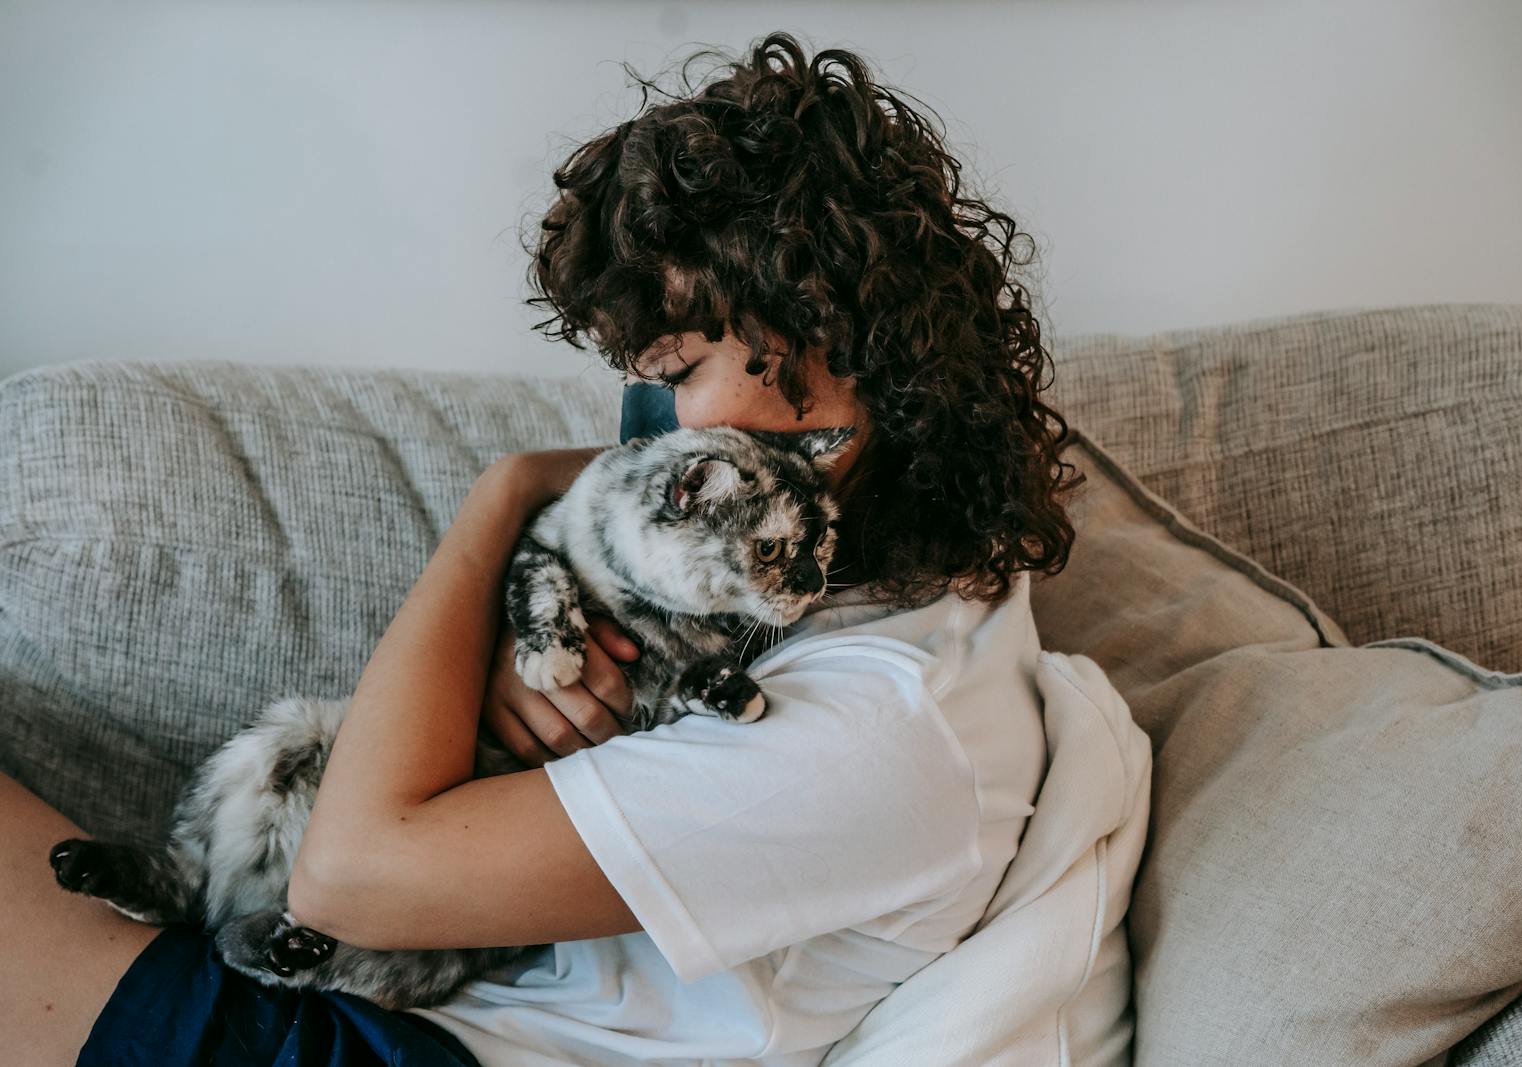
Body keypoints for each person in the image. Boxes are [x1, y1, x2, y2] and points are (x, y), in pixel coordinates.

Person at [0, 30, 1089, 1066]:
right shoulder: (865, 584)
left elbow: (347, 875)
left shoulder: (879, 730)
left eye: (675, 372)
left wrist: (506, 490)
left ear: (822, 332)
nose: (646, 416)